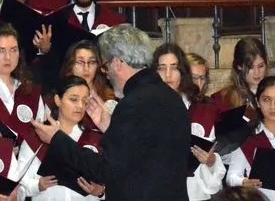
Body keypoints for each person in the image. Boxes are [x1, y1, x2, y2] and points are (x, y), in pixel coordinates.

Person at [29, 24, 189, 200]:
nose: (106, 75)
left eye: (105, 66)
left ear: (117, 63)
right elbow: (144, 153)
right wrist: (111, 127)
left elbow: (105, 170)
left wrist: (57, 139)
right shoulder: (172, 98)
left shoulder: (133, 104)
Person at [153, 43, 224, 200]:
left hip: (195, 192)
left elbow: (213, 168)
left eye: (174, 67)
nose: (168, 74)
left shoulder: (204, 110)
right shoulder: (145, 108)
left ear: (182, 72)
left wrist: (210, 160)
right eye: (161, 68)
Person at [18, 76, 106, 200]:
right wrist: (37, 186)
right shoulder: (37, 136)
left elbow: (119, 182)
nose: (80, 106)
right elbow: (20, 184)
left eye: (85, 101)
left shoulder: (97, 139)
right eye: (73, 99)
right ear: (58, 100)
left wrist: (101, 191)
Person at [0, 24, 47, 143]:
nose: (8, 57)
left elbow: (42, 136)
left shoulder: (32, 92)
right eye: (1, 50)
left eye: (13, 50)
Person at [59, 40, 116, 132]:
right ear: (70, 65)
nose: (86, 68)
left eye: (92, 62)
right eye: (80, 62)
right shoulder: (59, 96)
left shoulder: (110, 97)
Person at [211, 36, 268, 114]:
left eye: (261, 66)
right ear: (239, 66)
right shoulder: (222, 100)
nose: (257, 72)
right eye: (250, 67)